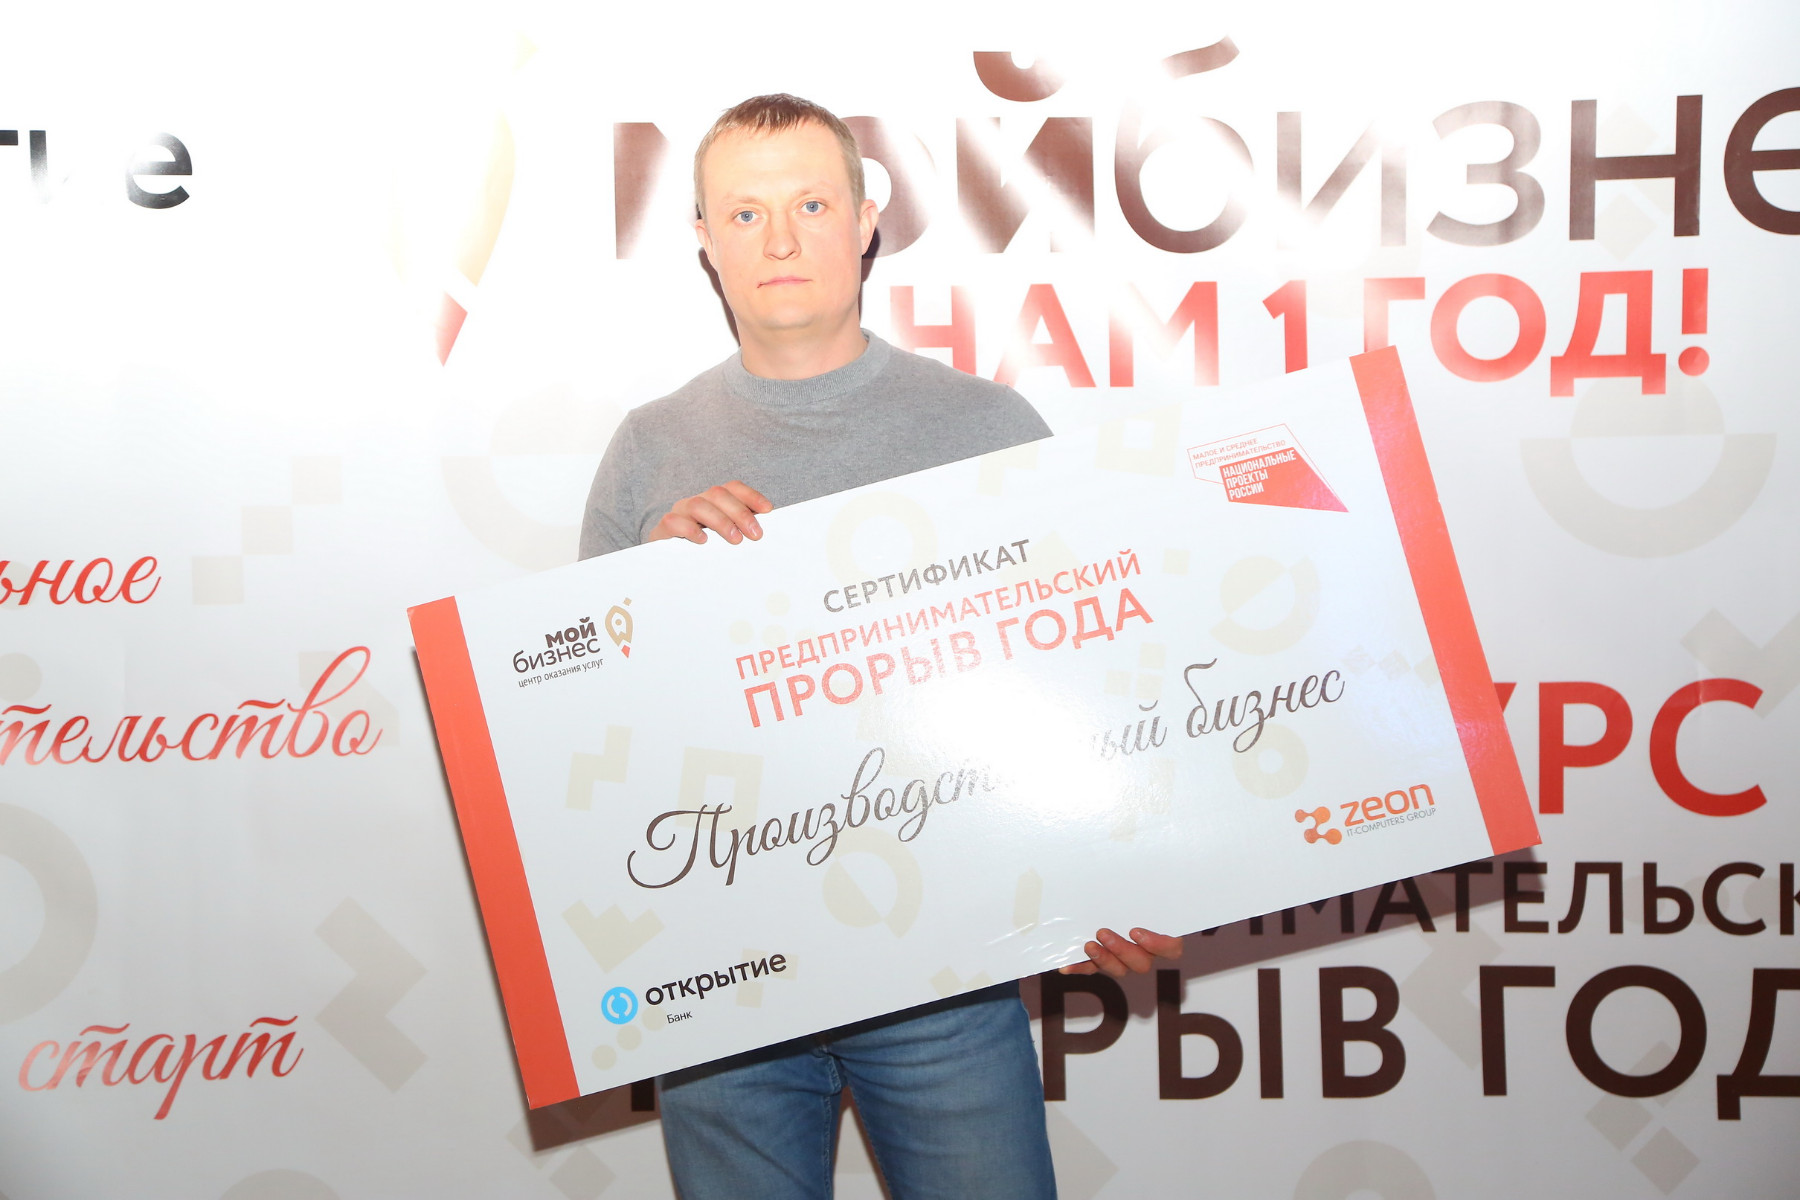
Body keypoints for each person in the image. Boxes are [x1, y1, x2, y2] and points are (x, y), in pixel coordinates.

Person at [580, 93, 1182, 1200]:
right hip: (724, 986)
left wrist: (1124, 870)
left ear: (865, 222)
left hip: (945, 977)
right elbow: (594, 741)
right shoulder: (647, 453)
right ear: (705, 241)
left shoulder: (989, 431)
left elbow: (1086, 694)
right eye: (746, 213)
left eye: (811, 204)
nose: (781, 239)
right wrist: (646, 596)